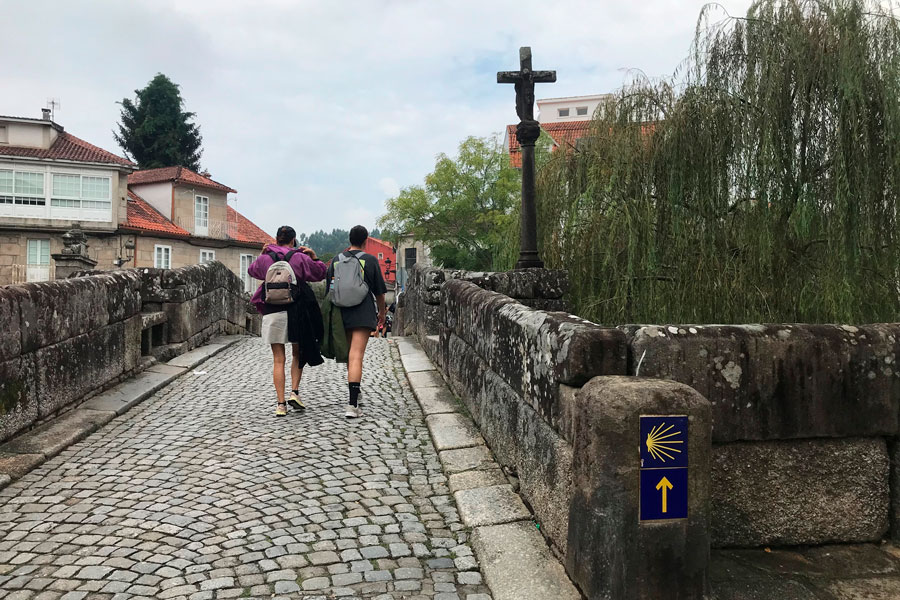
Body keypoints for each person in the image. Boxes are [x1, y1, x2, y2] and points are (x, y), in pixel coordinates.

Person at [248, 226, 327, 417]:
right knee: (297, 353)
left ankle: (280, 405)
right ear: (293, 240)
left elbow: (252, 271)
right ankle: (295, 392)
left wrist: (261, 254)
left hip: (272, 311)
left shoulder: (266, 257)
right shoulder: (299, 257)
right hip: (296, 311)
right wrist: (314, 257)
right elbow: (320, 274)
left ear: (276, 239)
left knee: (278, 359)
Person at [325, 225, 388, 419]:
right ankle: (352, 404)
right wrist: (382, 313)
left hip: (341, 312)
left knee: (350, 356)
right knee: (356, 355)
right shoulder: (369, 260)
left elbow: (330, 289)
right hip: (362, 311)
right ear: (365, 240)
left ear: (349, 239)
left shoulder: (336, 260)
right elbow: (379, 292)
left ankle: (355, 392)